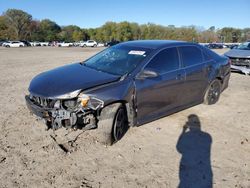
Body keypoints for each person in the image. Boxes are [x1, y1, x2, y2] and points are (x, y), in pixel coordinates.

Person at [176, 114, 213, 188]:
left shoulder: (186, 136)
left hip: (188, 172)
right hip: (204, 173)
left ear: (189, 125)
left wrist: (183, 130)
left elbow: (179, 148)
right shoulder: (207, 136)